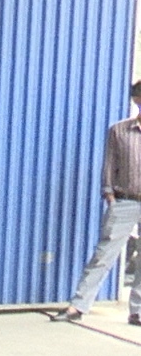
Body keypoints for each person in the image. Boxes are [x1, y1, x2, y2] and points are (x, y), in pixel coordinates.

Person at [50, 80, 141, 326]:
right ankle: (77, 306)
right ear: (136, 100)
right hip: (125, 201)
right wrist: (109, 194)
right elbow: (109, 165)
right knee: (103, 255)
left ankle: (138, 312)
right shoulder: (119, 131)